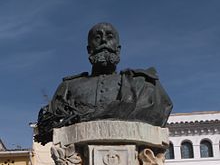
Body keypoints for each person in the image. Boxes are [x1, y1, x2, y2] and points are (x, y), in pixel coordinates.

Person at [36, 22, 173, 145]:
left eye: (109, 37)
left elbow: (161, 108)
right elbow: (47, 124)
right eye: (97, 37)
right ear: (89, 49)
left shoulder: (142, 84)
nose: (103, 41)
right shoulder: (69, 87)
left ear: (118, 49)